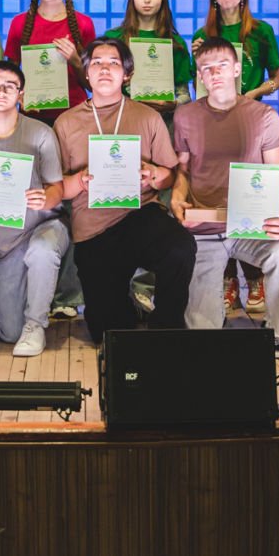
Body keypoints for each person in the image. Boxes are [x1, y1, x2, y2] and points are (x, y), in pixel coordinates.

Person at [53, 38, 195, 344]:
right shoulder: (65, 123)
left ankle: (167, 328)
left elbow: (170, 175)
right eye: (97, 63)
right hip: (93, 229)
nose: (105, 69)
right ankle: (128, 307)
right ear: (86, 73)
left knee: (180, 247)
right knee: (107, 332)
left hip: (140, 215)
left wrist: (155, 175)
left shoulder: (147, 117)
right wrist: (80, 180)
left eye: (114, 63)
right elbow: (56, 188)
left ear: (127, 74)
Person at [171, 37, 279, 358]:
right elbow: (183, 171)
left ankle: (276, 330)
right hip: (205, 228)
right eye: (207, 68)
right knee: (202, 334)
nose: (215, 73)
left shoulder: (264, 115)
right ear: (200, 75)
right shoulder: (185, 115)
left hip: (252, 225)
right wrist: (177, 197)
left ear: (237, 69)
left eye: (222, 65)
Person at [191, 0, 279, 317]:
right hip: (214, 125)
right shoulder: (203, 33)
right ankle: (227, 280)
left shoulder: (261, 31)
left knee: (250, 195)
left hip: (250, 122)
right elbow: (200, 83)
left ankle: (255, 278)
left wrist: (253, 94)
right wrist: (196, 56)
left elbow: (278, 77)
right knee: (218, 195)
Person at [0, 59, 69, 357]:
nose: (1, 91)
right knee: (8, 332)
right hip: (2, 245)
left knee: (43, 251)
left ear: (21, 94)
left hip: (41, 226)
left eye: (10, 86)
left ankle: (36, 324)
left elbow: (57, 188)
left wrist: (45, 199)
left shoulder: (41, 133)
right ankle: (18, 311)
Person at [3, 0, 97, 121]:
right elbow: (9, 77)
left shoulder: (84, 23)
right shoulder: (19, 23)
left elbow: (92, 86)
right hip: (32, 116)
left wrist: (75, 60)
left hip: (75, 118)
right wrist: (19, 94)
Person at [105, 0, 194, 130]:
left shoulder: (176, 44)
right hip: (123, 123)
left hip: (164, 125)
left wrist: (173, 104)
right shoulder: (114, 40)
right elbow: (102, 90)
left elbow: (185, 96)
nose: (147, 0)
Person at [192, 0, 279, 103]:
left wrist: (255, 93)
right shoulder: (202, 35)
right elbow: (198, 88)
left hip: (250, 109)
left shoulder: (262, 31)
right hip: (213, 111)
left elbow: (277, 78)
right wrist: (199, 60)